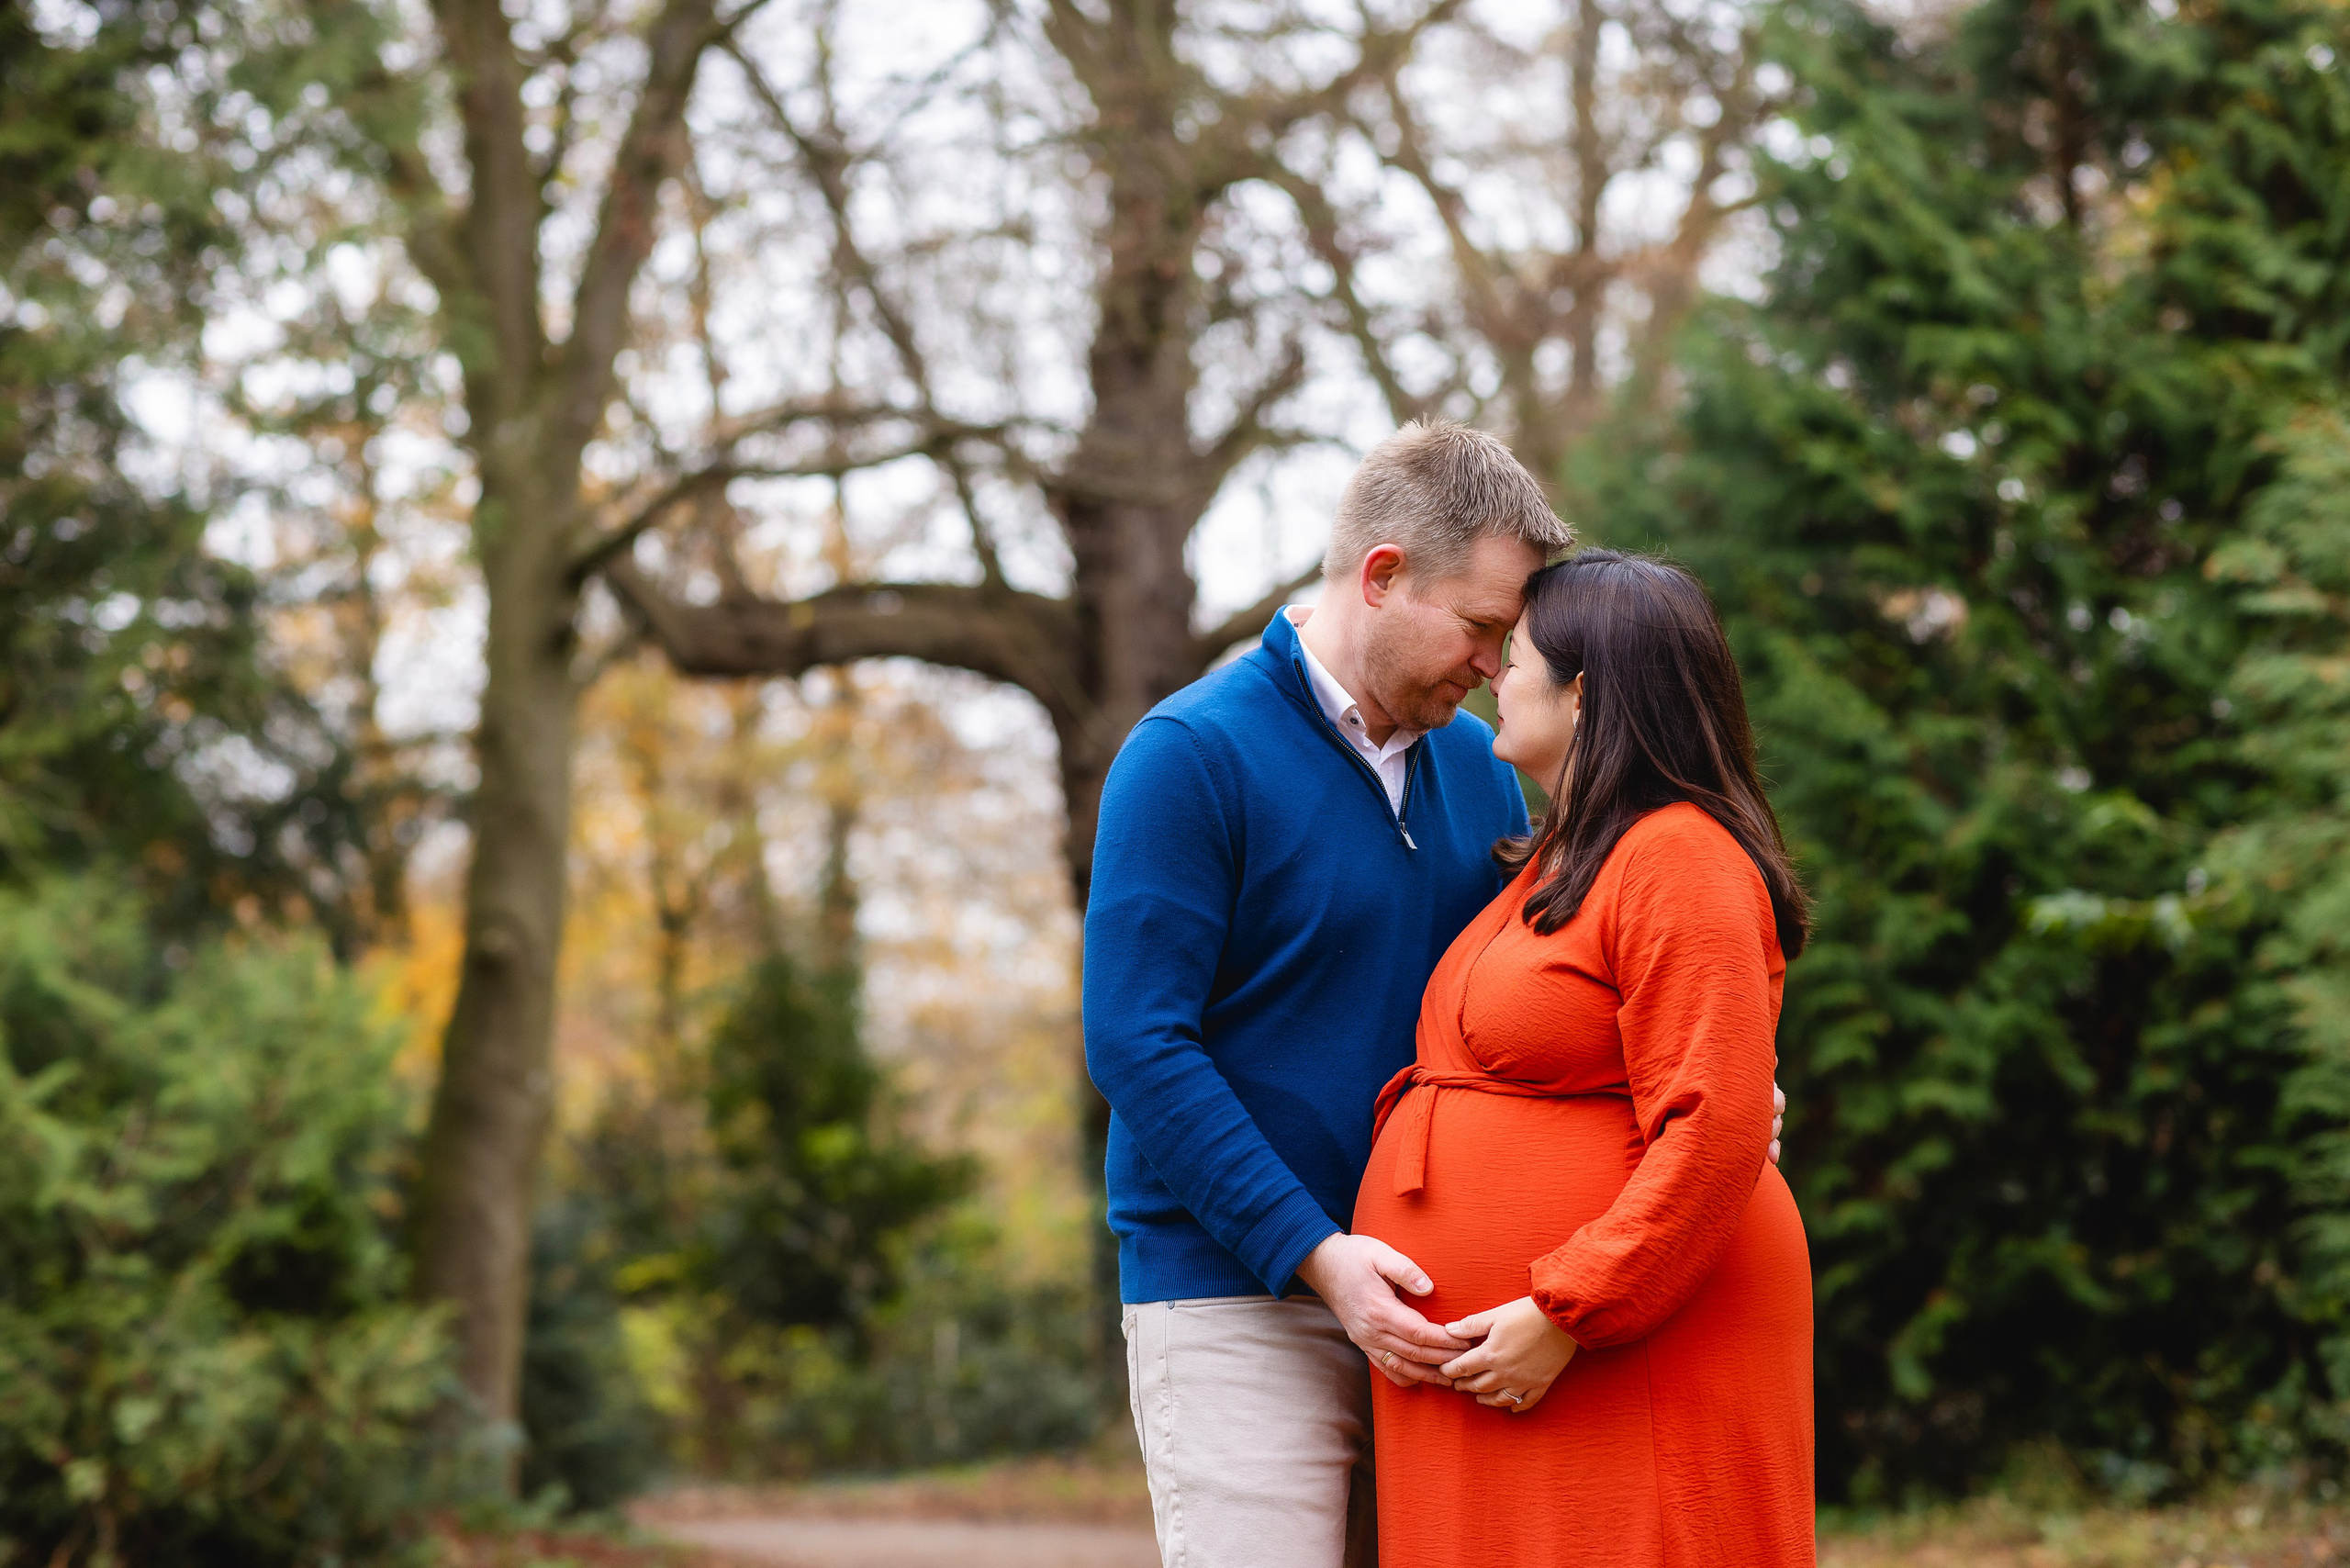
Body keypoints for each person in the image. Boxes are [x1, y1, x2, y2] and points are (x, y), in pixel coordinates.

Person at [1082, 424, 1782, 1568]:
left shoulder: (1477, 767)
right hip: (1240, 1296)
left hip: (1444, 1311)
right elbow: (1136, 1042)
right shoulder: (1190, 755)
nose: (1492, 663)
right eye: (1480, 628)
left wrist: (1726, 1076)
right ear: (1382, 575)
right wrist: (1315, 1251)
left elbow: (1550, 995)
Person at [1354, 549, 1815, 1568]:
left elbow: (1716, 1122)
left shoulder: (1678, 853)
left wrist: (1570, 1311)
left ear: (1583, 690)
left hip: (1618, 1344)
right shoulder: (1566, 856)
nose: (1492, 674)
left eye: (1514, 654)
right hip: (1524, 1359)